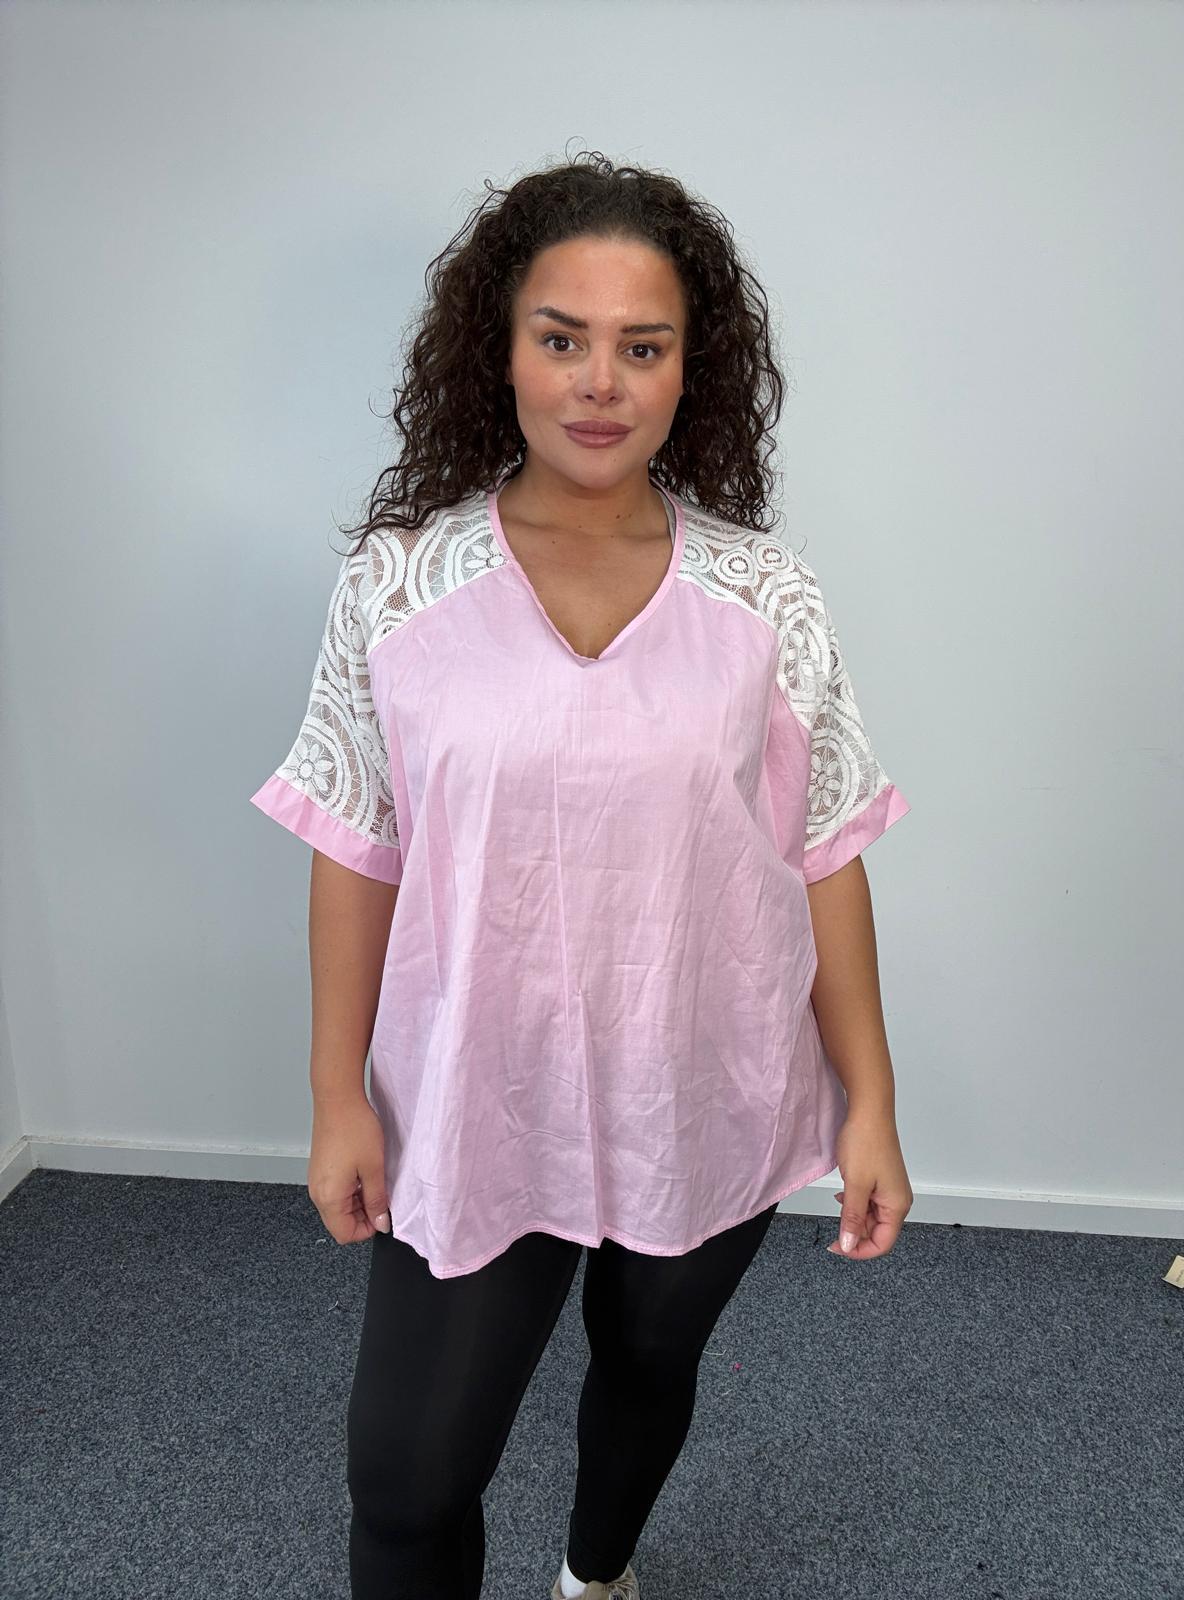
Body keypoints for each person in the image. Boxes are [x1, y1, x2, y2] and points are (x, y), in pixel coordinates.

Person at [249, 147, 915, 1600]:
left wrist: (870, 1101)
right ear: (501, 353)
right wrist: (334, 1094)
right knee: (408, 1483)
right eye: (562, 339)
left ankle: (596, 1577)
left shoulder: (766, 594)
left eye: (642, 346)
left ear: (691, 370)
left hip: (707, 1080)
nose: (600, 382)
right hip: (478, 1092)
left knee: (649, 1358)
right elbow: (356, 844)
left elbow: (823, 852)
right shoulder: (402, 581)